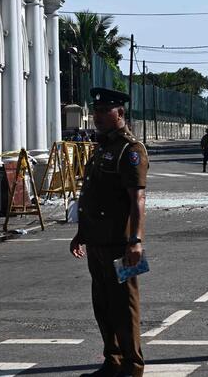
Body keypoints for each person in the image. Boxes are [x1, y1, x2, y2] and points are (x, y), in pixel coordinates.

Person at [70, 87, 148, 377]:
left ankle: (132, 366)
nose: (98, 116)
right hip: (97, 243)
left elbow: (137, 199)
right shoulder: (102, 147)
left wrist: (136, 240)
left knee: (125, 308)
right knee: (102, 305)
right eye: (96, 111)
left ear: (121, 113)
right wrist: (81, 234)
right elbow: (92, 195)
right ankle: (112, 361)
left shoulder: (131, 150)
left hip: (122, 245)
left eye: (105, 111)